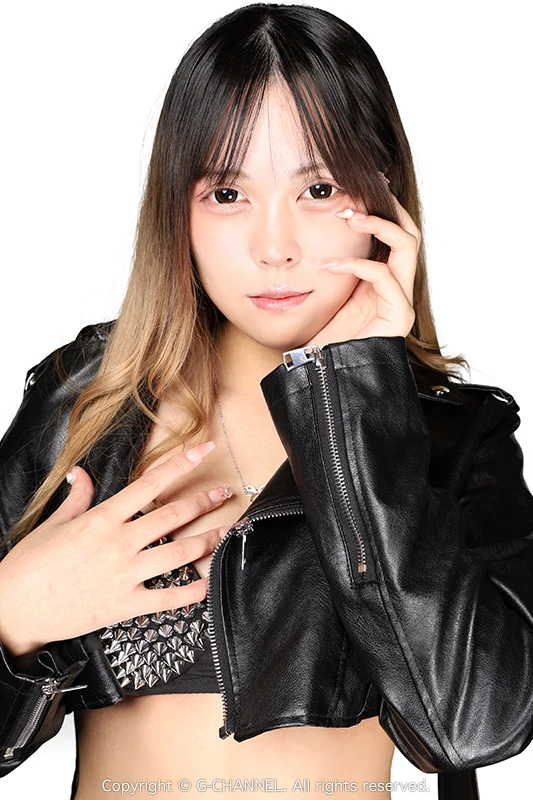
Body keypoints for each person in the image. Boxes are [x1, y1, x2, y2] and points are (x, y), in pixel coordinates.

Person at [0, 4, 532, 800]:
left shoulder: (454, 438)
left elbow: (474, 725)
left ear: (384, 198)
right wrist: (13, 613)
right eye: (226, 193)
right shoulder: (87, 406)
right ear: (176, 208)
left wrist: (356, 403)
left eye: (317, 188)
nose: (273, 246)